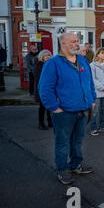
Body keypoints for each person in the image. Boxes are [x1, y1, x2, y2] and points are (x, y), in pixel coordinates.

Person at [38, 33, 96, 185]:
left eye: (78, 41)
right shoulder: (53, 63)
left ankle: (76, 164)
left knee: (78, 141)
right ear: (63, 44)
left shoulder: (82, 60)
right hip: (63, 113)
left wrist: (92, 99)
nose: (77, 44)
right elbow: (44, 89)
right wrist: (54, 108)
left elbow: (89, 82)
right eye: (73, 41)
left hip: (83, 110)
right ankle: (62, 169)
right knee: (62, 143)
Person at [89, 47, 104, 136]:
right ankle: (93, 128)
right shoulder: (92, 65)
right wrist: (103, 87)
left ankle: (102, 126)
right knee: (95, 111)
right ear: (98, 54)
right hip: (98, 92)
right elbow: (92, 79)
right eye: (102, 53)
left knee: (103, 110)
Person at [34, 49, 53, 130]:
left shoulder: (50, 65)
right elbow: (38, 79)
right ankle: (41, 124)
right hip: (41, 88)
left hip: (50, 89)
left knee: (49, 106)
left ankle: (50, 122)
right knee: (42, 107)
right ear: (42, 57)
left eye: (49, 55)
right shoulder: (39, 65)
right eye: (46, 55)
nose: (48, 57)